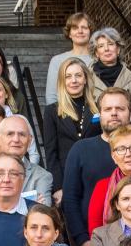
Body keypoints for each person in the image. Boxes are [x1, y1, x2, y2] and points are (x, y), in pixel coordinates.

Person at [61, 88, 131, 246]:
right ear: (100, 114)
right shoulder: (80, 150)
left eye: (120, 109)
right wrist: (84, 241)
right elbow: (70, 199)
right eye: (108, 109)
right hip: (96, 245)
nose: (114, 113)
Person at [41, 57, 101, 189]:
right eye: (68, 76)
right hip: (67, 179)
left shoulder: (98, 108)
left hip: (97, 177)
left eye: (78, 75)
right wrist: (58, 188)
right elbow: (51, 154)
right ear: (63, 81)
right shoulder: (52, 111)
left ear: (85, 79)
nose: (73, 81)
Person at [0, 115, 53, 206]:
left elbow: (42, 216)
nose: (16, 139)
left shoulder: (42, 176)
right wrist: (28, 207)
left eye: (22, 134)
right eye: (10, 134)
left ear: (29, 141)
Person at [45, 12, 94, 105]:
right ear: (69, 34)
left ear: (90, 32)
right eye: (75, 28)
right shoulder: (57, 61)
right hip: (64, 114)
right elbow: (51, 97)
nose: (80, 31)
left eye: (84, 27)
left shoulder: (98, 60)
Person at [88, 27, 131, 100]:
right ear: (96, 53)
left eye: (110, 44)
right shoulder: (88, 78)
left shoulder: (130, 78)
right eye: (101, 46)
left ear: (118, 49)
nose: (106, 49)